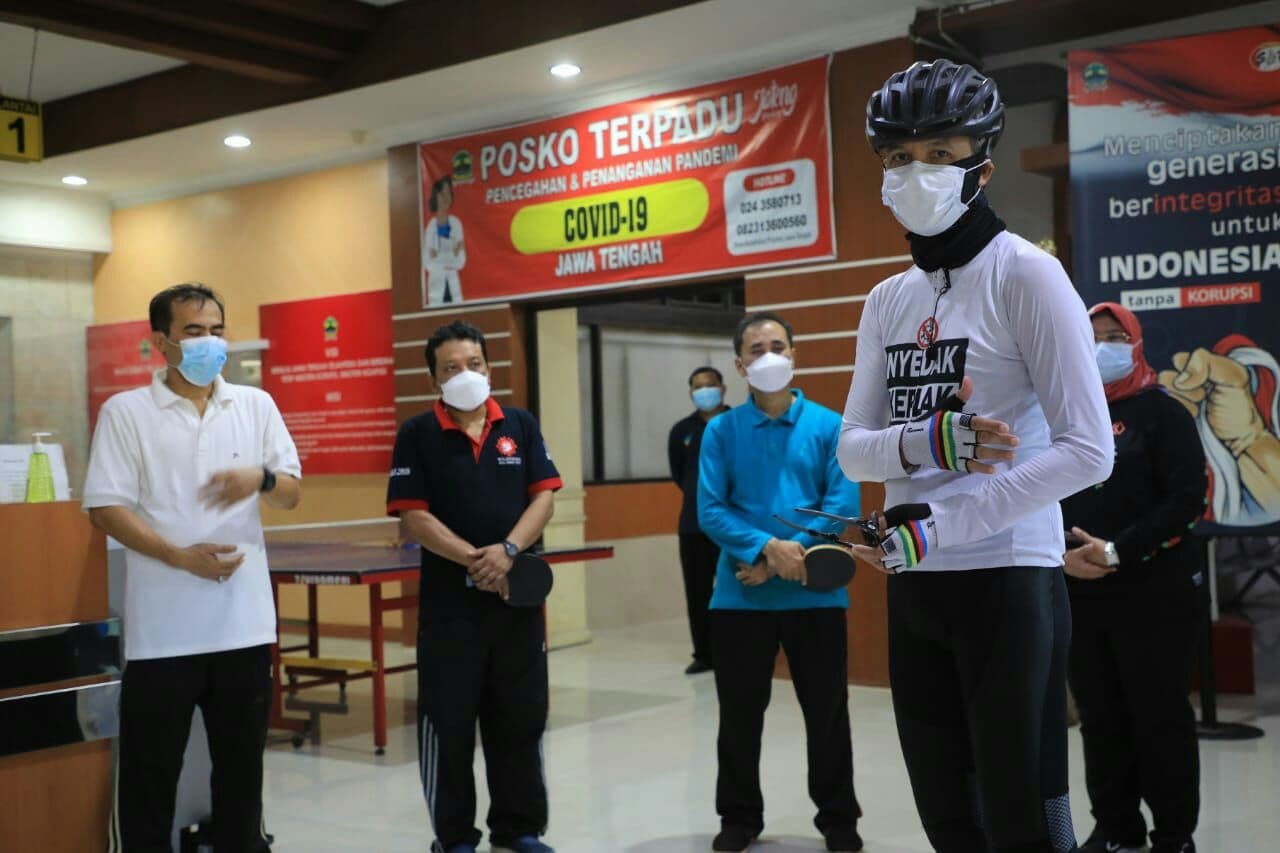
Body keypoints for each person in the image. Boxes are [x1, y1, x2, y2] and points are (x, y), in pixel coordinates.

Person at [838, 59, 1114, 853]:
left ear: (981, 167)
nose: (914, 171)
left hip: (1010, 577)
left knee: (1022, 815)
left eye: (937, 152)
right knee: (946, 814)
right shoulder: (886, 299)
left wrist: (943, 520)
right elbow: (854, 450)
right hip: (916, 583)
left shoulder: (1028, 273)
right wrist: (927, 443)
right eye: (897, 157)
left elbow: (1089, 450)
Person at [83, 283, 302, 852]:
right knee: (150, 779)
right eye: (193, 332)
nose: (209, 343)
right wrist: (180, 558)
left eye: (216, 330)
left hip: (245, 627)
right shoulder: (126, 412)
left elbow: (291, 493)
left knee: (241, 777)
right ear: (162, 341)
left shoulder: (255, 405)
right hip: (164, 635)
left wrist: (260, 477)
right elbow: (105, 508)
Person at [386, 320, 562, 853]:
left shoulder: (521, 425)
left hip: (517, 606)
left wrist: (507, 552)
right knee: (450, 725)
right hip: (450, 613)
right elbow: (413, 515)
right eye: (452, 368)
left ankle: (520, 829)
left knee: (521, 720)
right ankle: (455, 836)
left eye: (475, 364)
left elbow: (544, 497)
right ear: (434, 378)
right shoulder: (417, 434)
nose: (466, 374)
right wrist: (473, 560)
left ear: (489, 366)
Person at [698, 311, 864, 853]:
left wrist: (783, 555)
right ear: (740, 365)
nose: (768, 355)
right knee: (739, 717)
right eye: (756, 348)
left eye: (777, 345)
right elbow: (710, 508)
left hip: (815, 593)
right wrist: (764, 548)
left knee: (827, 712)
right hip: (739, 597)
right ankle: (740, 817)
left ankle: (838, 819)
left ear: (794, 355)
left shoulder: (829, 426)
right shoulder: (721, 431)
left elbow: (841, 506)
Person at [1062, 303, 1207, 853]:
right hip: (1081, 587)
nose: (1103, 346)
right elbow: (1041, 491)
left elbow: (1187, 500)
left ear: (1136, 341)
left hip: (1156, 591)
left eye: (1115, 335)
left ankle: (1174, 834)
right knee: (1100, 718)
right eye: (1092, 336)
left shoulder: (1163, 414)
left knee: (1160, 715)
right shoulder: (1068, 414)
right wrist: (1064, 555)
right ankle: (1116, 826)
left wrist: (1117, 551)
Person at [668, 365, 731, 675]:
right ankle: (704, 654)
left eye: (710, 384)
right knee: (698, 591)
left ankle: (735, 650)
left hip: (733, 523)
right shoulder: (682, 431)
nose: (704, 390)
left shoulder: (737, 423)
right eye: (697, 386)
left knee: (733, 589)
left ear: (722, 388)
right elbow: (679, 475)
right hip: (693, 524)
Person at [423, 175, 467, 305]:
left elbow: (461, 261)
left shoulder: (456, 224)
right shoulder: (431, 227)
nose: (445, 197)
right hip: (436, 291)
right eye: (442, 193)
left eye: (448, 193)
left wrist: (439, 257)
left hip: (454, 290)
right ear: (435, 197)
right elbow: (428, 263)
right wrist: (452, 253)